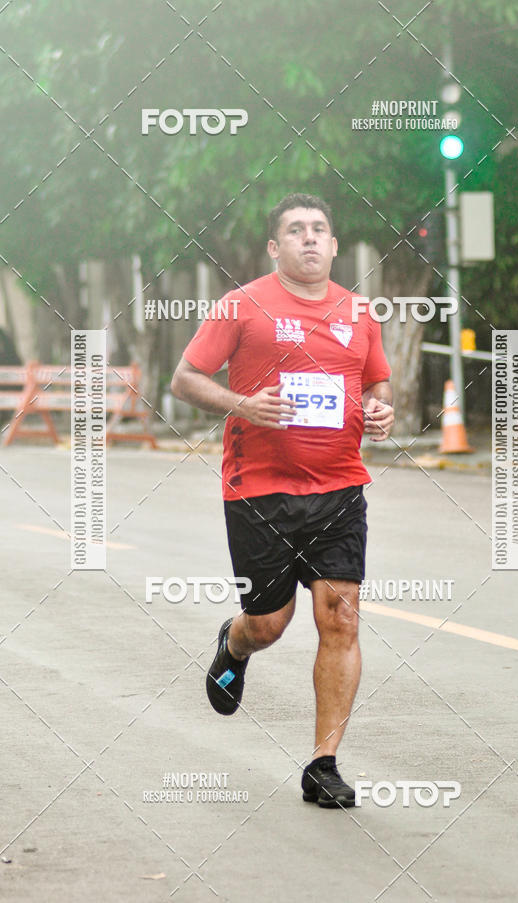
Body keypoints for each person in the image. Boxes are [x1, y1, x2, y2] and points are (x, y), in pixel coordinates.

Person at [171, 193, 393, 808]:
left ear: (336, 243)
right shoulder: (242, 306)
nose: (310, 239)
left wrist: (378, 409)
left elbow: (375, 379)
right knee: (270, 622)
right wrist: (243, 405)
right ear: (275, 246)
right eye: (296, 231)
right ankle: (235, 643)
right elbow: (184, 379)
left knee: (340, 620)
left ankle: (323, 764)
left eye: (320, 229)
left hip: (341, 489)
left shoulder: (359, 311)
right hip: (259, 490)